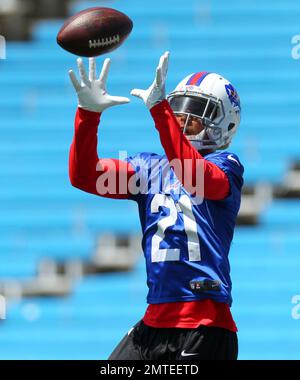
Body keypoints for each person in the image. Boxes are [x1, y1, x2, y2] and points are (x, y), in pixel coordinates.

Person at [68, 52, 243, 360]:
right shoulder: (150, 169)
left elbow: (194, 176)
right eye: (180, 108)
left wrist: (160, 111)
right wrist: (88, 115)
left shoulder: (226, 164)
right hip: (155, 321)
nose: (184, 117)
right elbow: (85, 176)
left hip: (204, 324)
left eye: (198, 110)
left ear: (225, 124)